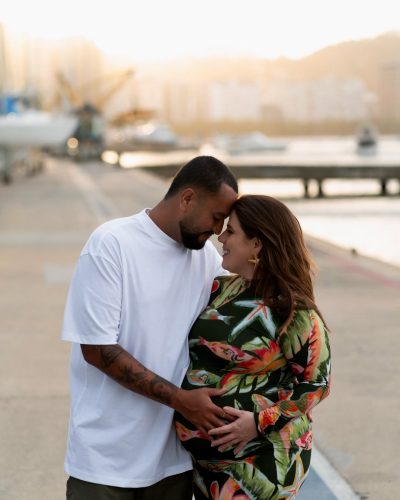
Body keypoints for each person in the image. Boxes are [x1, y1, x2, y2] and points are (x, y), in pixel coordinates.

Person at [61, 156, 238, 499]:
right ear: (187, 199)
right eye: (216, 217)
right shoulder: (112, 244)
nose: (218, 231)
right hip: (105, 461)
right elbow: (97, 350)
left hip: (173, 462)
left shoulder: (205, 258)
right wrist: (182, 401)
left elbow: (246, 305)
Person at [175, 194, 331, 499]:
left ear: (256, 244)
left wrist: (259, 423)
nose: (221, 237)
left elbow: (317, 384)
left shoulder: (293, 311)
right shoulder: (220, 289)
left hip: (261, 464)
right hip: (208, 468)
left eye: (231, 231)